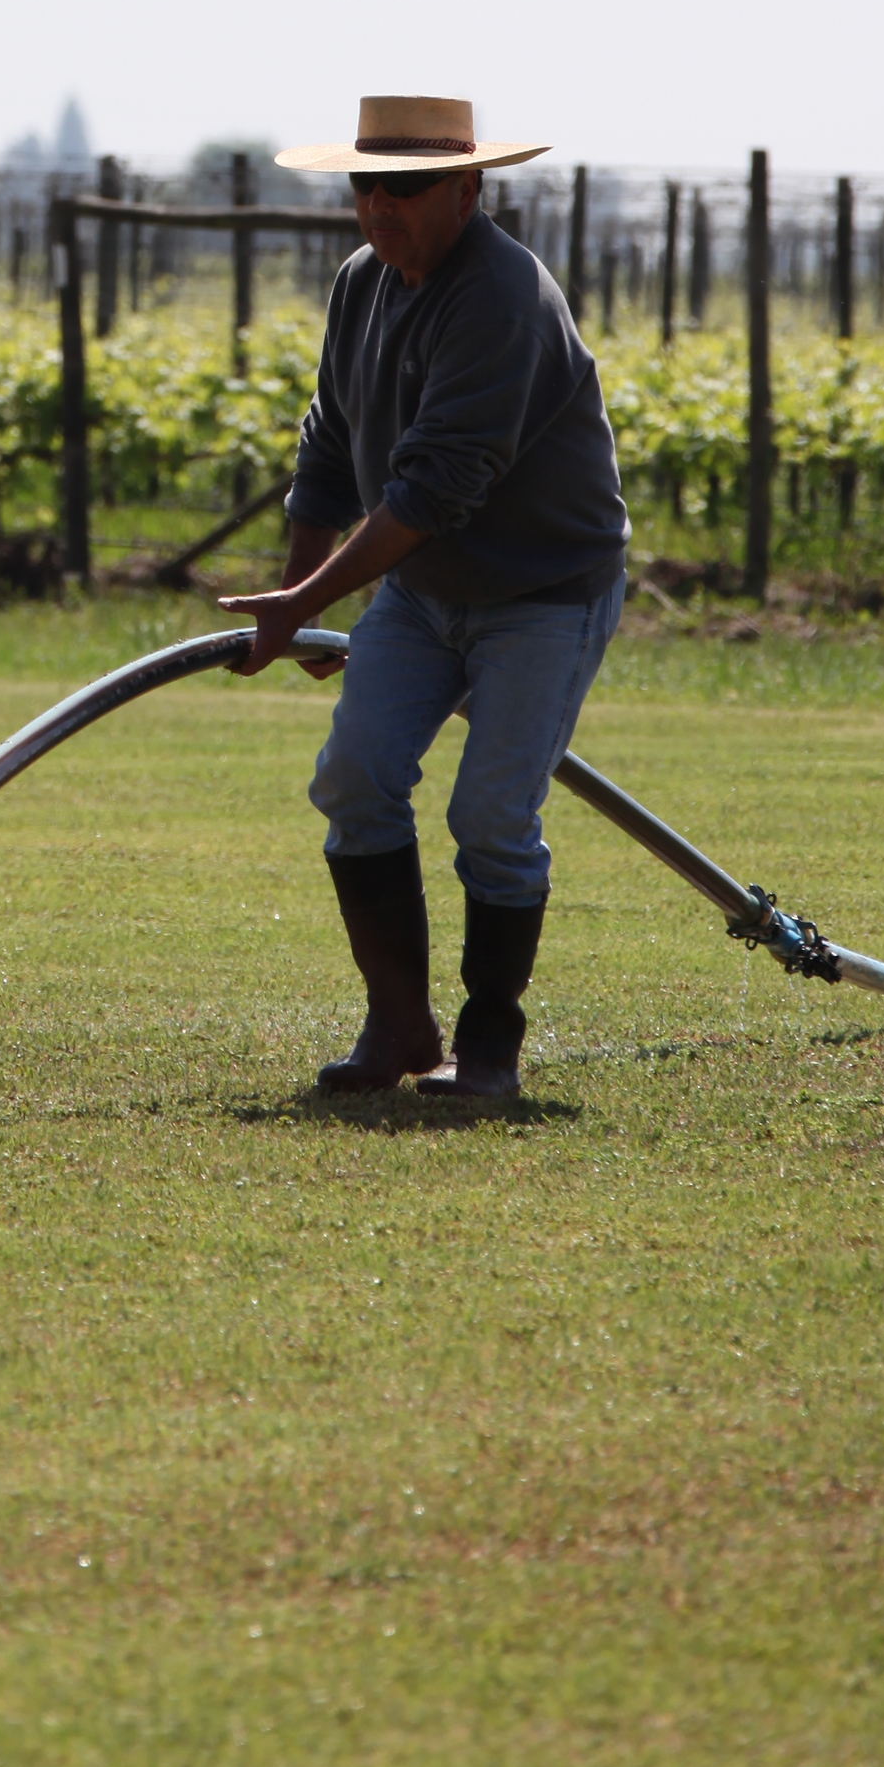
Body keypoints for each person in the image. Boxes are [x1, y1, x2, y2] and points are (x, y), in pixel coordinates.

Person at [240, 94, 629, 1102]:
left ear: (468, 188)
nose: (379, 207)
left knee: (493, 815)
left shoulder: (501, 295)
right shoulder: (360, 285)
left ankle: (488, 1046)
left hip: (540, 592)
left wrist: (311, 598)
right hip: (417, 595)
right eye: (365, 185)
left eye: (405, 187)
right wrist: (299, 592)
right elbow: (330, 443)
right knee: (356, 778)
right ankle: (399, 1027)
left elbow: (432, 489)